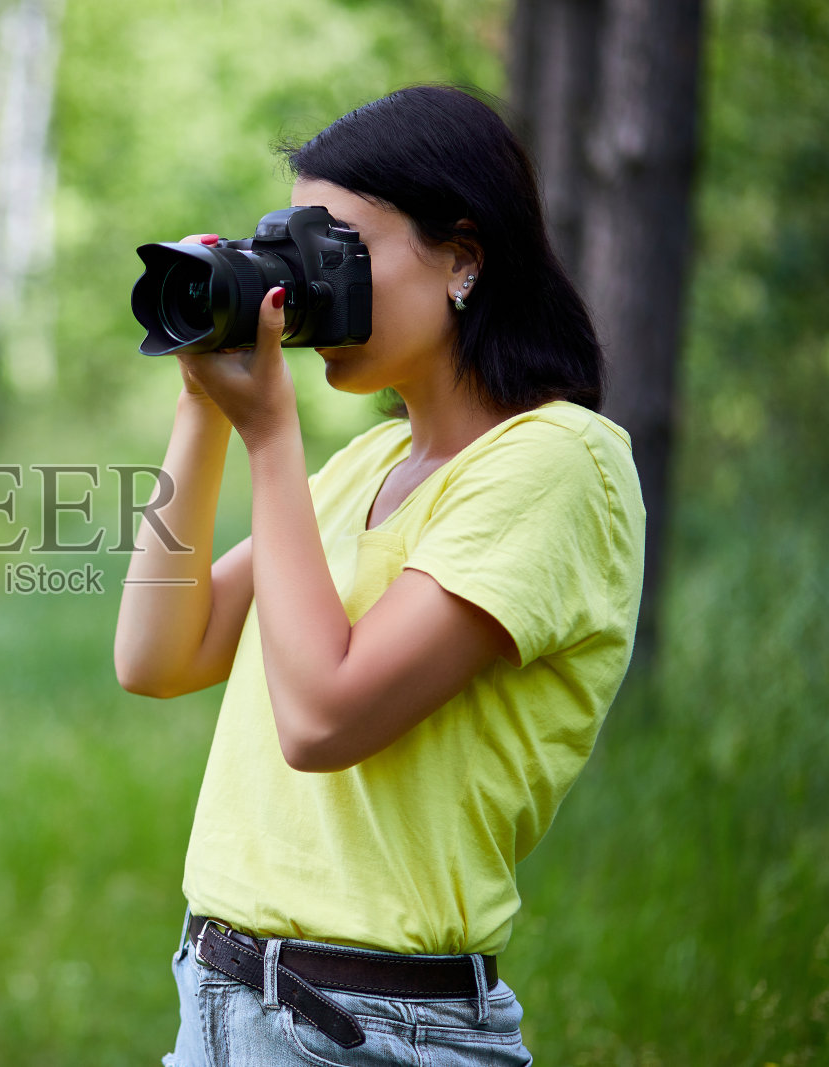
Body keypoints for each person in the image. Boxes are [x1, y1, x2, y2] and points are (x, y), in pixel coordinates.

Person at [112, 85, 646, 1066]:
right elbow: (156, 653)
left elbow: (323, 719)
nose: (309, 286)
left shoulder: (558, 461)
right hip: (219, 1000)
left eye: (339, 247)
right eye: (293, 250)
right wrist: (203, 403)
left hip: (375, 1032)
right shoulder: (364, 467)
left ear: (461, 258)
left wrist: (270, 432)